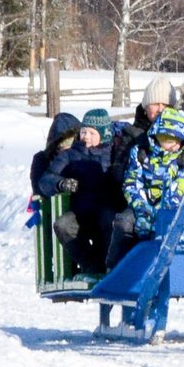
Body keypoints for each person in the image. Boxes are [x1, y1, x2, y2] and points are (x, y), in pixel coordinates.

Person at [109, 106, 184, 268]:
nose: (171, 145)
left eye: (176, 140)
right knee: (123, 222)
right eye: (167, 140)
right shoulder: (140, 153)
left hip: (170, 209)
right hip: (141, 204)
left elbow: (182, 185)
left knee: (172, 228)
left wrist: (163, 209)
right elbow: (132, 182)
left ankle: (173, 267)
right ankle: (116, 267)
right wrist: (142, 207)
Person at [43, 109, 117, 279]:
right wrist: (61, 183)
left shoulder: (113, 154)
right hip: (81, 212)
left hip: (105, 209)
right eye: (83, 131)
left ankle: (109, 268)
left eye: (92, 132)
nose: (86, 136)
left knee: (111, 222)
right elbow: (46, 180)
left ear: (104, 135)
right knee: (62, 225)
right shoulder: (70, 155)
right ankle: (90, 266)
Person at [31, 112, 82, 196]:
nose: (67, 150)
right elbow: (39, 190)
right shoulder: (42, 160)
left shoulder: (83, 156)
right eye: (63, 144)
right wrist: (60, 184)